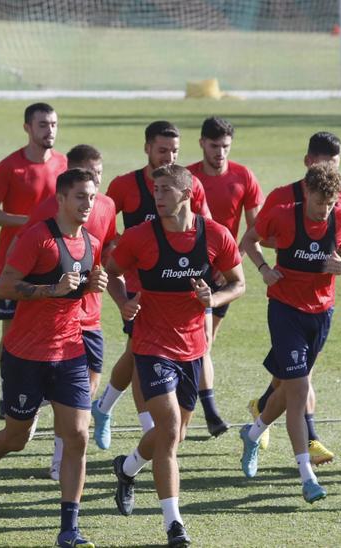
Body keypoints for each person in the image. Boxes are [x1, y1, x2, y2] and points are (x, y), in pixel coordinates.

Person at [0, 168, 107, 548]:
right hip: (25, 355)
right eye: (79, 196)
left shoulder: (91, 242)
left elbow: (77, 290)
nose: (87, 204)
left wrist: (94, 285)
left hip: (70, 351)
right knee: (17, 437)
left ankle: (68, 530)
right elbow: (7, 286)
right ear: (60, 198)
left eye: (91, 197)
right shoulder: (37, 237)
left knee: (77, 435)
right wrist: (51, 289)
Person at [106, 164, 243, 548]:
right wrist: (122, 302)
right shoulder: (139, 237)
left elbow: (238, 282)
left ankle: (127, 466)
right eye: (155, 188)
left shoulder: (216, 235)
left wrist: (211, 299)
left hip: (193, 348)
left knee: (173, 435)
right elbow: (111, 269)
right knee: (167, 430)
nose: (158, 195)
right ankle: (174, 524)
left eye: (166, 189)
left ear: (187, 193)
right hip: (151, 346)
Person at [234, 164, 341, 504]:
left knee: (291, 387)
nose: (325, 210)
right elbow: (249, 239)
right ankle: (307, 476)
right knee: (299, 390)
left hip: (321, 314)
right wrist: (264, 269)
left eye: (331, 203)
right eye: (320, 202)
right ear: (306, 192)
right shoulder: (283, 215)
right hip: (285, 311)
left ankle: (254, 432)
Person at [92, 120, 211, 451]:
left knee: (136, 354)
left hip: (176, 288)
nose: (169, 157)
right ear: (147, 148)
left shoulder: (188, 184)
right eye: (162, 150)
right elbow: (99, 220)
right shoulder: (124, 186)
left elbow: (205, 225)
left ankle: (104, 409)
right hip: (137, 286)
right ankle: (153, 433)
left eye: (175, 150)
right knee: (142, 354)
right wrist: (111, 246)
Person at [22, 144, 115, 482]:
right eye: (88, 178)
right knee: (64, 392)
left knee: (87, 390)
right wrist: (54, 287)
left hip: (90, 315)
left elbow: (106, 250)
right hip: (53, 319)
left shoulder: (106, 207)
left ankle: (61, 457)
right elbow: (29, 262)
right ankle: (34, 410)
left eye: (99, 177)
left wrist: (110, 283)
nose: (94, 187)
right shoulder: (46, 214)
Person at [0, 103, 67, 418]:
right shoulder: (9, 168)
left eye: (54, 124)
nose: (50, 131)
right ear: (27, 128)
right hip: (12, 264)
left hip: (52, 264)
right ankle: (9, 396)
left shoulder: (64, 164)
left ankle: (46, 393)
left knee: (49, 330)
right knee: (12, 334)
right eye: (43, 124)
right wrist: (31, 221)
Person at [186, 116, 262, 439]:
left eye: (225, 147)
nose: (220, 153)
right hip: (191, 269)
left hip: (224, 272)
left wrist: (233, 261)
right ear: (202, 142)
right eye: (214, 146)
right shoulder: (187, 177)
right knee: (199, 342)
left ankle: (197, 402)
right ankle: (209, 410)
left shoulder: (243, 176)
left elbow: (254, 229)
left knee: (205, 342)